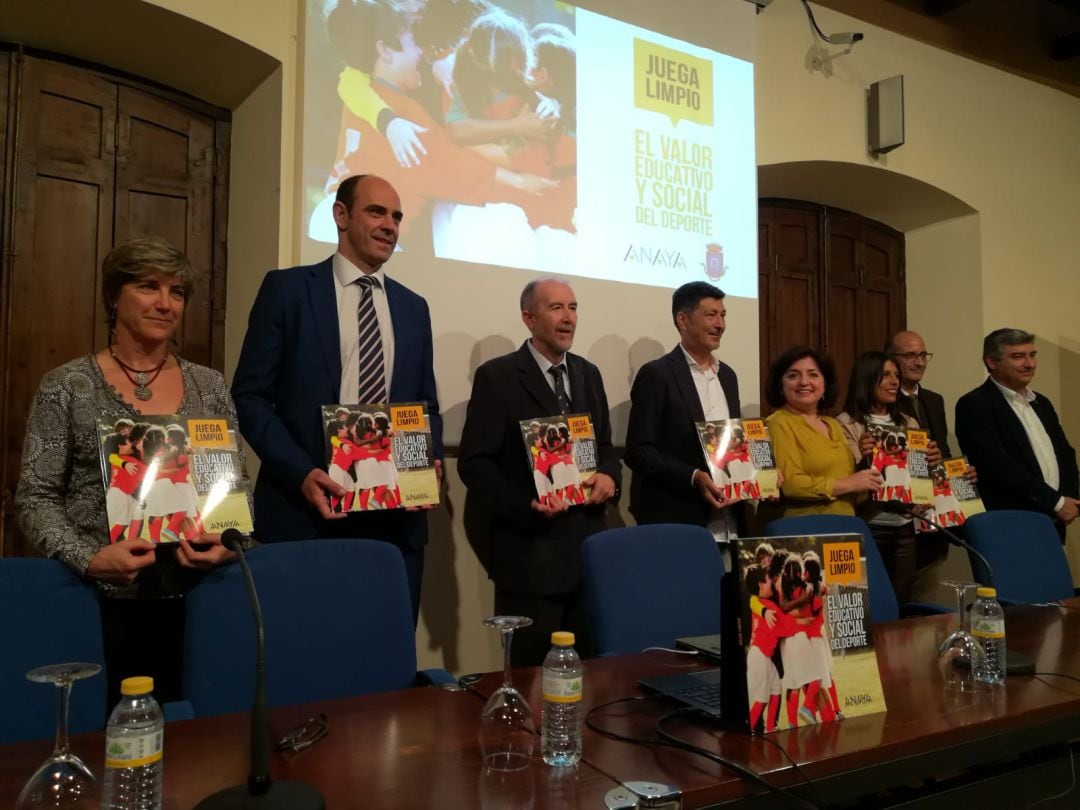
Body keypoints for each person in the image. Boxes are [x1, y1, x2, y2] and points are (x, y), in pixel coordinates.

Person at [15, 237, 244, 708]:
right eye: (148, 287)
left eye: (176, 292)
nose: (165, 304)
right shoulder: (67, 385)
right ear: (114, 296)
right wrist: (90, 556)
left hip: (198, 599)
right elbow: (34, 498)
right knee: (108, 741)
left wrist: (226, 538)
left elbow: (232, 486)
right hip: (95, 601)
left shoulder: (210, 385)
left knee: (196, 740)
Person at [231, 174, 442, 621]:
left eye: (397, 216)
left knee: (386, 668)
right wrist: (301, 472)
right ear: (341, 215)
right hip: (305, 516)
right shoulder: (287, 291)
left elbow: (425, 406)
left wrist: (430, 460)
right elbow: (248, 396)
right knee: (307, 664)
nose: (390, 225)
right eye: (377, 211)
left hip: (395, 526)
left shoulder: (413, 307)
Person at [458, 278, 620, 666]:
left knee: (591, 678)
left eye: (574, 308)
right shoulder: (497, 376)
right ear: (529, 318)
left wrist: (610, 478)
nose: (568, 319)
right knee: (532, 680)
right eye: (557, 308)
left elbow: (606, 449)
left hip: (589, 555)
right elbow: (474, 464)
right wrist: (526, 505)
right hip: (531, 557)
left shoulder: (588, 374)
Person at [624, 282, 743, 540]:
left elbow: (733, 444)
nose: (720, 324)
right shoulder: (658, 375)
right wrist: (693, 477)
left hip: (730, 524)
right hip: (679, 520)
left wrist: (762, 471)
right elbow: (638, 451)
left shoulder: (729, 376)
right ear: (683, 320)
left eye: (722, 315)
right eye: (710, 315)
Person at [837, 352, 942, 603]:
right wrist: (863, 458)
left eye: (896, 374)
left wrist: (933, 464)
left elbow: (918, 477)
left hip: (904, 525)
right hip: (869, 523)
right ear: (866, 379)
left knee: (900, 604)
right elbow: (847, 477)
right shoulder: (845, 423)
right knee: (868, 604)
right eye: (885, 375)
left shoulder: (908, 422)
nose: (894, 381)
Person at [955, 328, 1079, 541]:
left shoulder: (1042, 403)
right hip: (1010, 523)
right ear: (992, 362)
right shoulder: (975, 404)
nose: (1029, 364)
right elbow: (998, 466)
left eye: (1032, 355)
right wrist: (1056, 502)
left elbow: (1065, 453)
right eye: (1018, 356)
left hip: (1054, 520)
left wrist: (1069, 500)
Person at [886, 330, 969, 601]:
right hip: (898, 518)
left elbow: (942, 452)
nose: (919, 362)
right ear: (891, 359)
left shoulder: (934, 399)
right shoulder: (883, 399)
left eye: (923, 355)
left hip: (934, 521)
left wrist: (956, 471)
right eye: (910, 355)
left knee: (926, 603)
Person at [763, 347, 882, 518]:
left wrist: (869, 462)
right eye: (793, 376)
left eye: (813, 374)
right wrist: (849, 484)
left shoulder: (833, 424)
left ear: (825, 384)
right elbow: (791, 484)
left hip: (846, 525)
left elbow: (851, 481)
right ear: (780, 386)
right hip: (806, 530)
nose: (804, 382)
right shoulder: (778, 422)